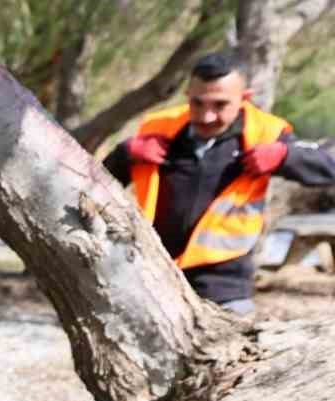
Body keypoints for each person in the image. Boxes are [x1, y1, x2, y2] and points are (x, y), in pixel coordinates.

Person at [102, 50, 335, 314]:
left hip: (225, 289)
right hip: (154, 276)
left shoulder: (266, 134)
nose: (206, 116)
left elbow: (328, 167)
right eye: (197, 103)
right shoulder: (159, 130)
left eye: (220, 105)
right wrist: (124, 154)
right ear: (187, 96)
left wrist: (285, 156)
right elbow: (95, 185)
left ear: (244, 99)